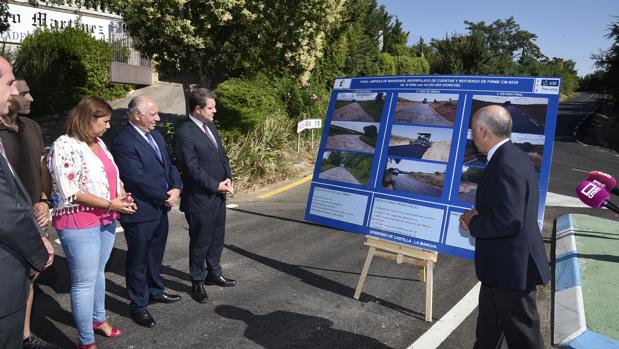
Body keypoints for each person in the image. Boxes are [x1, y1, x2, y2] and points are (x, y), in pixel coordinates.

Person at [48, 96, 136, 349]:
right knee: (84, 281)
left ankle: (98, 319)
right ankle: (86, 340)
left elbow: (112, 175)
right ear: (88, 119)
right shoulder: (64, 145)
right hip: (79, 219)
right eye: (105, 121)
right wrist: (112, 204)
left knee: (98, 272)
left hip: (106, 216)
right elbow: (71, 191)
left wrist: (121, 194)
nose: (109, 126)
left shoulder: (98, 142)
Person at [459, 105, 550, 349]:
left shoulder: (505, 164)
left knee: (523, 336)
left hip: (511, 267)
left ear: (483, 131)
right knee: (489, 326)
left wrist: (473, 221)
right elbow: (510, 208)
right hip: (500, 266)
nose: (472, 135)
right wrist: (483, 213)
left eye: (473, 130)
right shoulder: (513, 156)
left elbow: (510, 221)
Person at [111, 95, 182, 328]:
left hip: (160, 208)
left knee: (155, 255)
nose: (158, 118)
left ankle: (155, 290)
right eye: (153, 114)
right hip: (141, 211)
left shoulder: (156, 135)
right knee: (138, 260)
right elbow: (135, 177)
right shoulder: (123, 141)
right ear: (137, 115)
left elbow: (169, 164)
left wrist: (176, 188)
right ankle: (138, 305)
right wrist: (165, 196)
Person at [0, 76, 60, 349]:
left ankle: (24, 335)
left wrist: (45, 200)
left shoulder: (33, 127)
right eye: (23, 92)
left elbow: (42, 167)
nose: (30, 98)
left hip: (36, 214)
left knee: (31, 279)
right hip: (10, 220)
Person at [174, 88, 236, 304]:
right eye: (210, 108)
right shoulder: (184, 133)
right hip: (200, 198)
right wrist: (215, 185)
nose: (215, 111)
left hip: (219, 194)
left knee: (217, 237)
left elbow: (222, 155)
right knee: (200, 241)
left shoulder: (210, 126)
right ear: (198, 109)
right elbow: (191, 169)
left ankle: (214, 273)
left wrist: (228, 179)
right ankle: (197, 281)